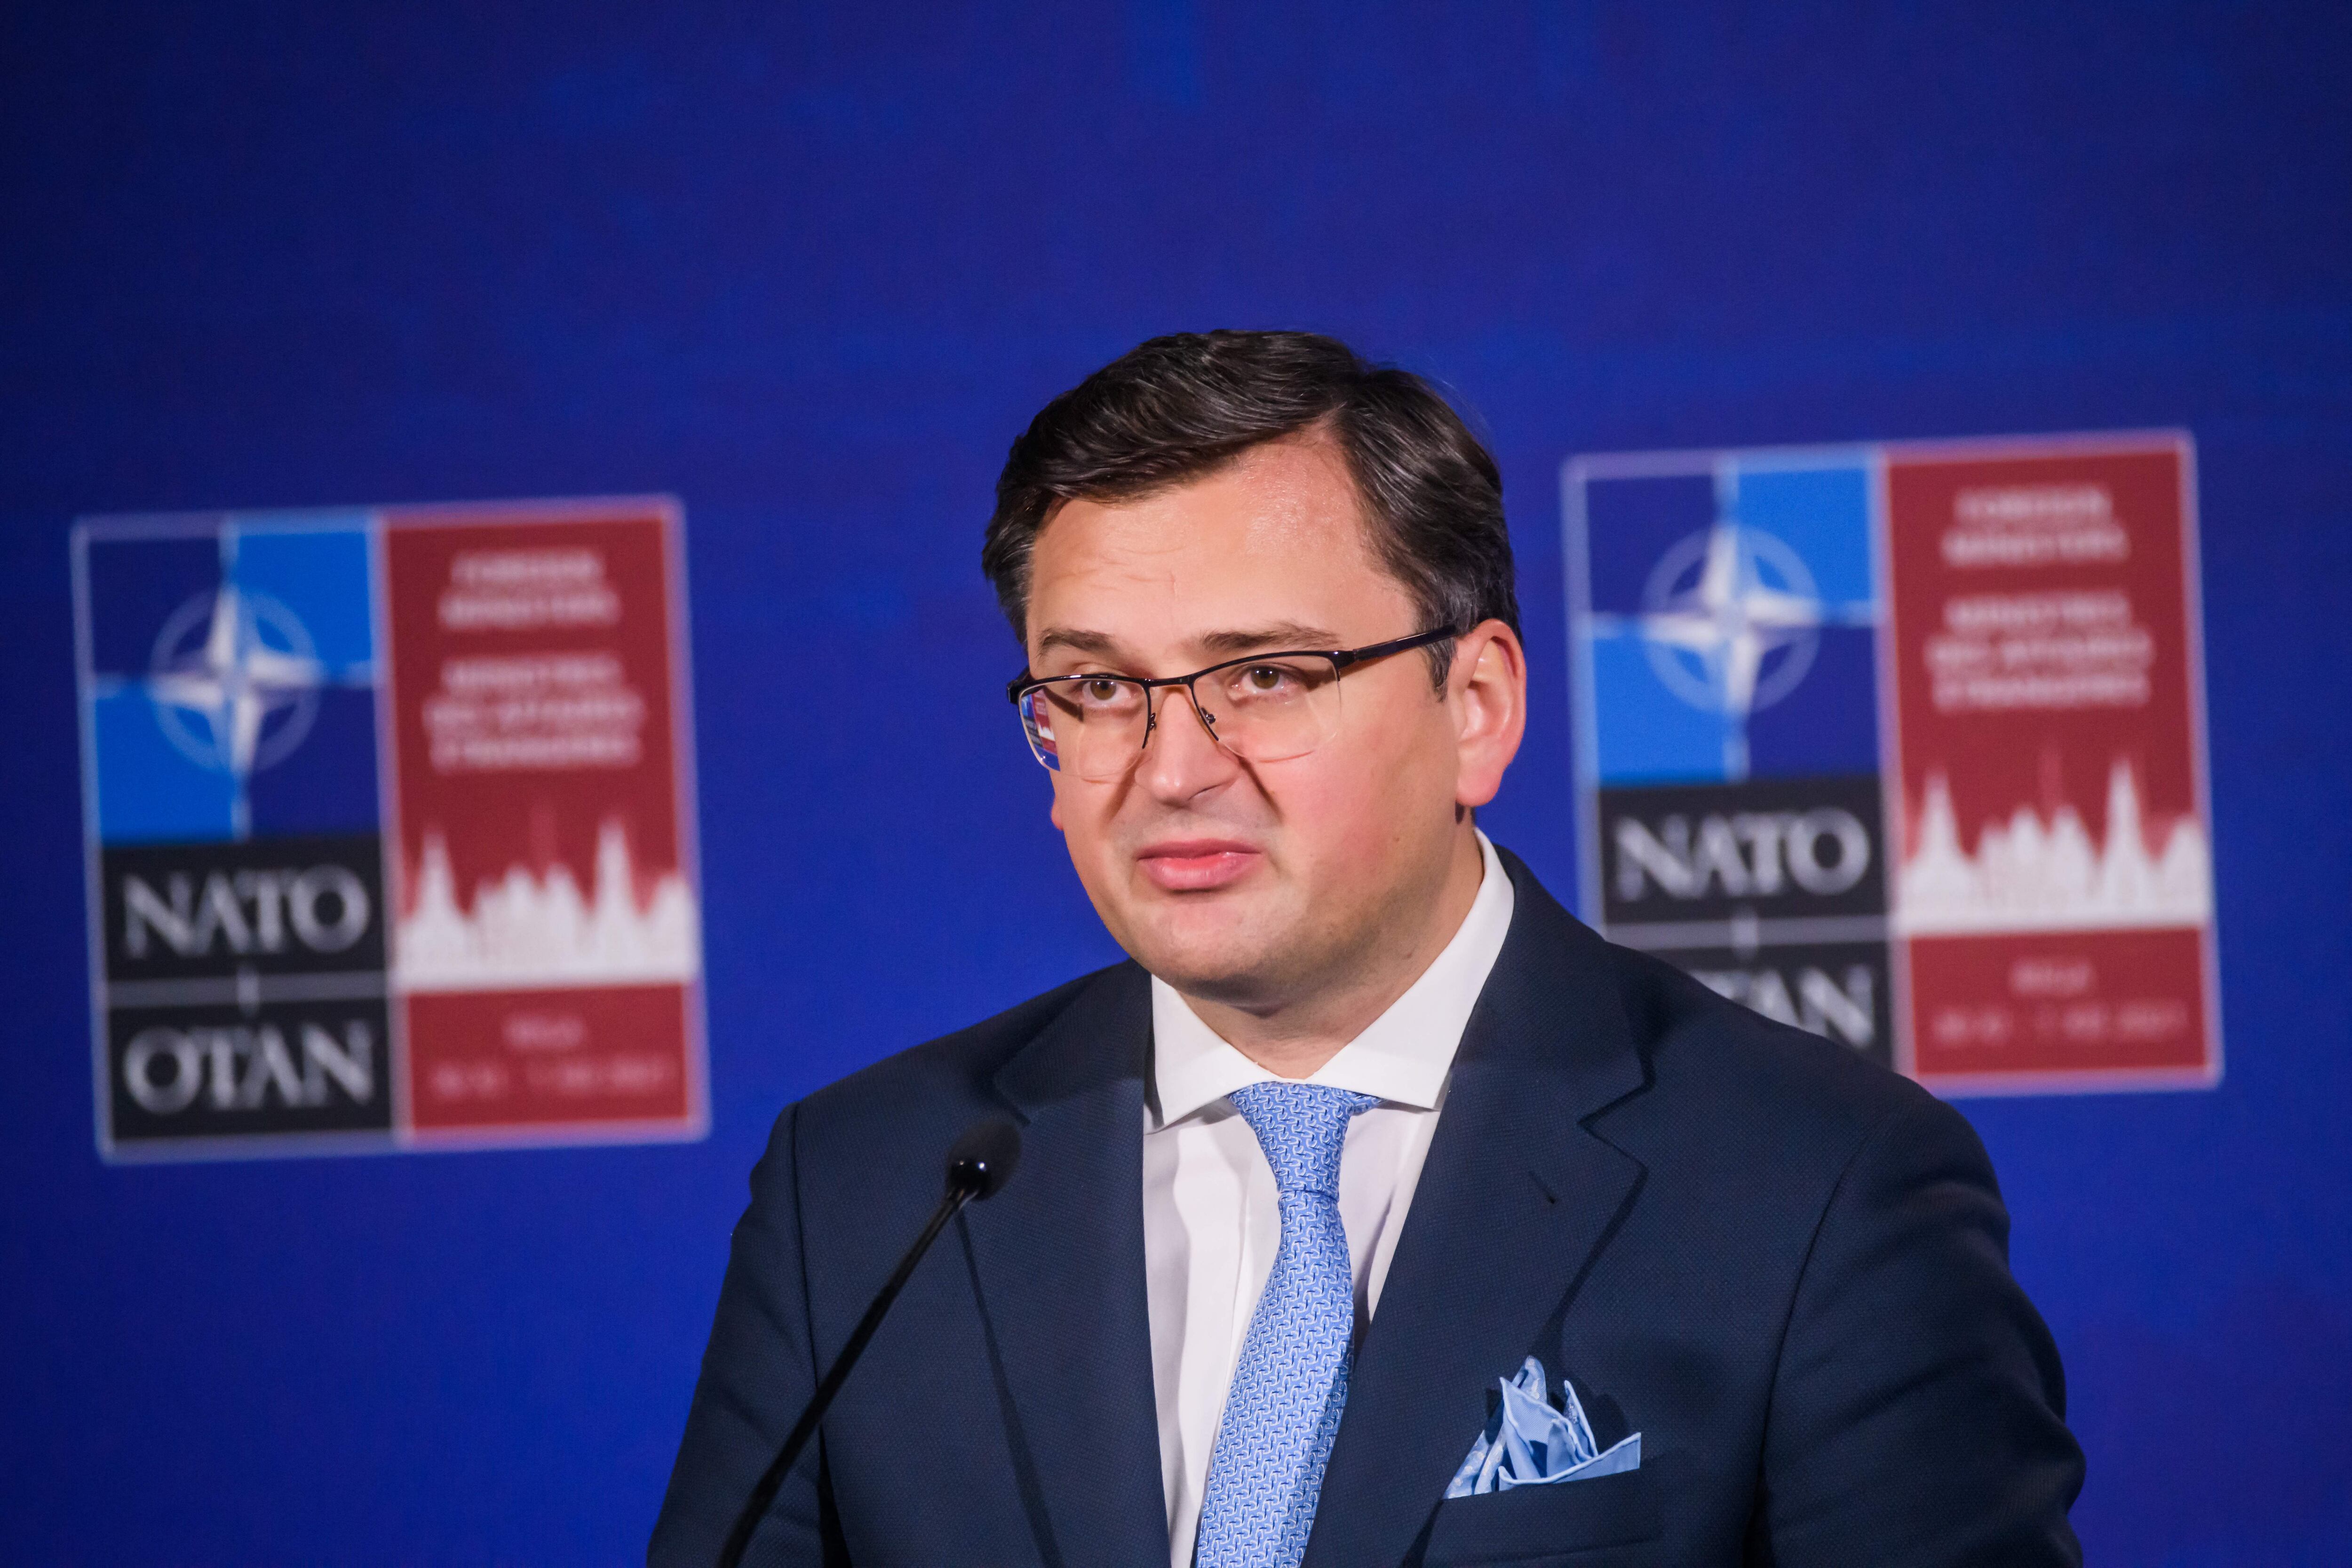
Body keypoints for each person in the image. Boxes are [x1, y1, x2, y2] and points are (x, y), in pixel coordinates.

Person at [650, 331, 2083, 1567]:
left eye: (1264, 676)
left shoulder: (1817, 1187)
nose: (1169, 768)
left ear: (1477, 705)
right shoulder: (866, 1193)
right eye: (1096, 689)